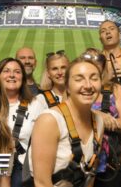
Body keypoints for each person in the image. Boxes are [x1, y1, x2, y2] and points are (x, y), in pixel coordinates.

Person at [23, 58, 104, 187]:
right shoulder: (50, 120)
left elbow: (90, 174)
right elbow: (42, 183)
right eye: (79, 79)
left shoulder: (99, 121)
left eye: (94, 78)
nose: (88, 85)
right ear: (67, 86)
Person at [80, 48, 121, 187]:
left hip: (111, 162)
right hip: (81, 161)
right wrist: (97, 116)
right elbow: (68, 118)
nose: (94, 63)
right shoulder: (73, 89)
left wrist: (98, 121)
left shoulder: (115, 88)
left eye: (99, 59)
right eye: (88, 58)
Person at [0, 58, 44, 187]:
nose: (12, 75)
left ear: (22, 78)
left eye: (17, 72)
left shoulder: (35, 105)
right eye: (6, 71)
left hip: (22, 171)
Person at [99, 20, 121, 85]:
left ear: (119, 34)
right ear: (100, 39)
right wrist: (105, 80)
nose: (107, 32)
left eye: (112, 29)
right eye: (103, 31)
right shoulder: (95, 61)